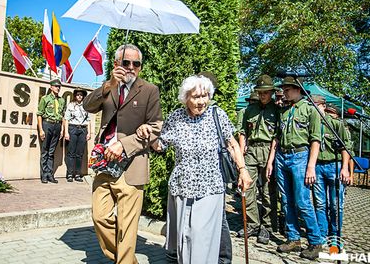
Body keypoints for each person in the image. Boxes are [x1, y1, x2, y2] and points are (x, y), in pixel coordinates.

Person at [137, 74, 251, 264]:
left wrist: (243, 169)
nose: (201, 101)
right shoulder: (176, 117)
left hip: (210, 187)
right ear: (185, 97)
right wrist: (148, 135)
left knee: (201, 237)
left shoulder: (217, 115)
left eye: (205, 96)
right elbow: (160, 146)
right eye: (196, 97)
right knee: (185, 238)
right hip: (182, 187)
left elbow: (232, 144)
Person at [83, 44, 163, 264]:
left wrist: (125, 144)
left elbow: (156, 125)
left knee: (127, 229)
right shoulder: (109, 87)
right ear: (117, 63)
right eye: (126, 62)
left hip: (132, 166)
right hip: (104, 165)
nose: (131, 67)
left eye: (136, 64)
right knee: (100, 218)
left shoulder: (149, 90)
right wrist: (109, 84)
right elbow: (87, 106)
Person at [265, 76, 323, 260]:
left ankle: (315, 241)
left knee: (303, 201)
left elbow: (315, 140)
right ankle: (293, 238)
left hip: (300, 156)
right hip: (282, 156)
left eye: (288, 89)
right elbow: (276, 138)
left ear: (298, 89)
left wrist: (311, 166)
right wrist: (270, 162)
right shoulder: (283, 111)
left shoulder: (310, 110)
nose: (285, 92)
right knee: (286, 200)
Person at [237, 75, 279, 244]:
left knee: (269, 191)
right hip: (252, 150)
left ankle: (267, 227)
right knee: (247, 187)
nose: (263, 95)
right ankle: (253, 224)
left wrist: (271, 160)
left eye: (266, 92)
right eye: (260, 92)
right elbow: (243, 132)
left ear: (272, 93)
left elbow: (277, 136)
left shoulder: (277, 110)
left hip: (269, 150)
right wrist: (241, 154)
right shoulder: (250, 110)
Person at [311, 96, 351, 243]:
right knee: (320, 203)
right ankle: (322, 233)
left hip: (334, 165)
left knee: (336, 204)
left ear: (323, 106)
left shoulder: (335, 124)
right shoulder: (310, 123)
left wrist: (345, 168)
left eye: (316, 105)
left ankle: (335, 234)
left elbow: (345, 147)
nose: (313, 108)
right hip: (317, 166)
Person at [37, 79, 66, 184]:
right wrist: (41, 129)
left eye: (59, 86)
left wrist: (62, 129)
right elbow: (39, 114)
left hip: (57, 125)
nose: (58, 88)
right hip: (47, 124)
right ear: (51, 87)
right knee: (45, 151)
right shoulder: (45, 99)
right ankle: (44, 175)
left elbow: (63, 116)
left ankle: (50, 174)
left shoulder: (62, 100)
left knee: (51, 151)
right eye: (55, 86)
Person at [63, 88, 91, 182]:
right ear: (75, 96)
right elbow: (66, 119)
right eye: (78, 94)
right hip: (73, 128)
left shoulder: (86, 106)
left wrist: (89, 133)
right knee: (71, 152)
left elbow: (88, 120)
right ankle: (70, 174)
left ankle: (78, 174)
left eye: (81, 95)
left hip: (82, 130)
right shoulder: (71, 105)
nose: (79, 96)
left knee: (80, 153)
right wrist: (66, 132)